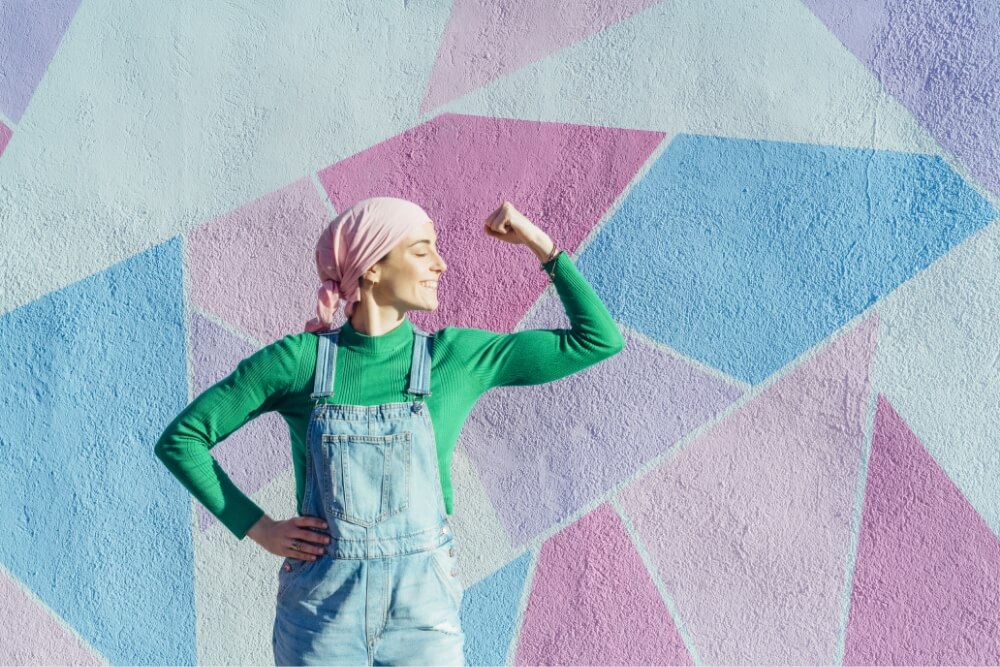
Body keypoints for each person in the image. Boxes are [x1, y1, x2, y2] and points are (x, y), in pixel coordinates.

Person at [155, 196, 625, 666]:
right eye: (422, 251)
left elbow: (598, 339)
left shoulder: (455, 357)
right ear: (373, 268)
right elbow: (182, 439)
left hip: (422, 618)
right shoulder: (298, 362)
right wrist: (258, 528)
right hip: (320, 615)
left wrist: (540, 245)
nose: (440, 264)